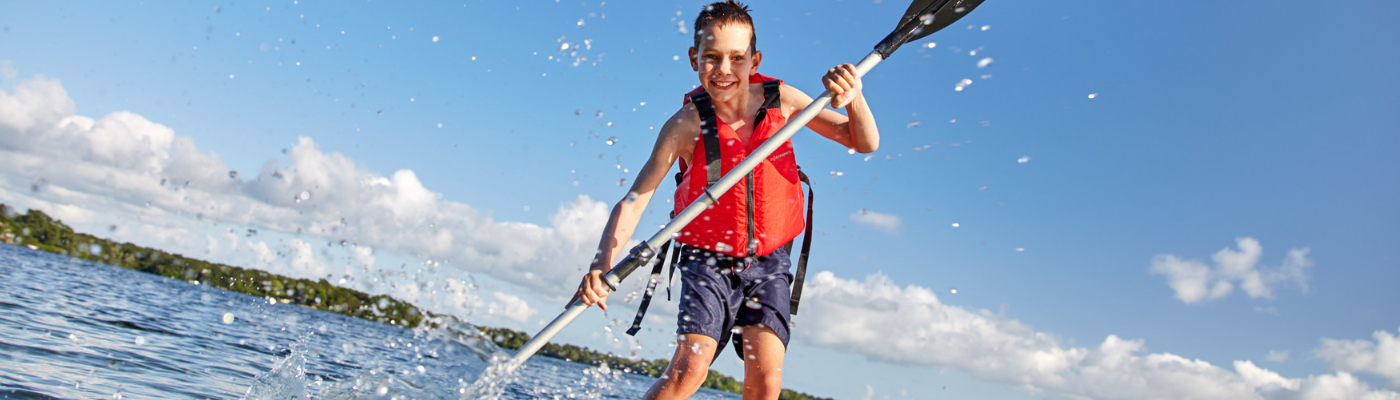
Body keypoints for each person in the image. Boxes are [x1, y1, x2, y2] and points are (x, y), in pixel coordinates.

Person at [568, 1, 879, 398]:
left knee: (767, 382)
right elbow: (635, 200)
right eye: (711, 58)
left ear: (755, 59)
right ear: (694, 59)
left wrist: (854, 97)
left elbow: (863, 141)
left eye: (737, 57)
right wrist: (601, 264)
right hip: (707, 260)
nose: (724, 69)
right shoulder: (684, 126)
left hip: (769, 260)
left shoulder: (782, 100)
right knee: (689, 370)